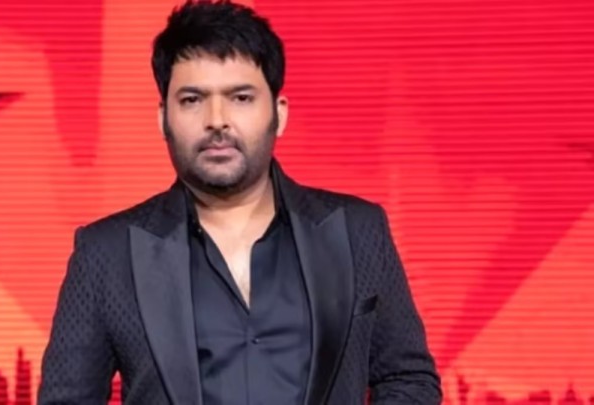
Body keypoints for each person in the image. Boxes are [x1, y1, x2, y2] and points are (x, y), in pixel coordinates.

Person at [37, 1, 442, 404]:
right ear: (163, 118)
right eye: (192, 99)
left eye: (241, 97)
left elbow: (408, 379)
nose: (217, 120)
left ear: (279, 114)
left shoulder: (357, 231)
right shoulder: (106, 254)